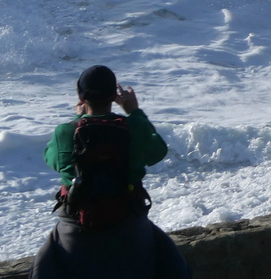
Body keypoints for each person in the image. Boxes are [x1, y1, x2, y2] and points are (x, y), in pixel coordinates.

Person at [31, 65, 190, 279]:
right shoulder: (134, 126)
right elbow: (158, 151)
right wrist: (134, 111)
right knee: (175, 266)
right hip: (129, 221)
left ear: (80, 96)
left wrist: (77, 119)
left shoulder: (65, 131)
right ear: (114, 96)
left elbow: (52, 160)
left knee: (40, 267)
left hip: (76, 228)